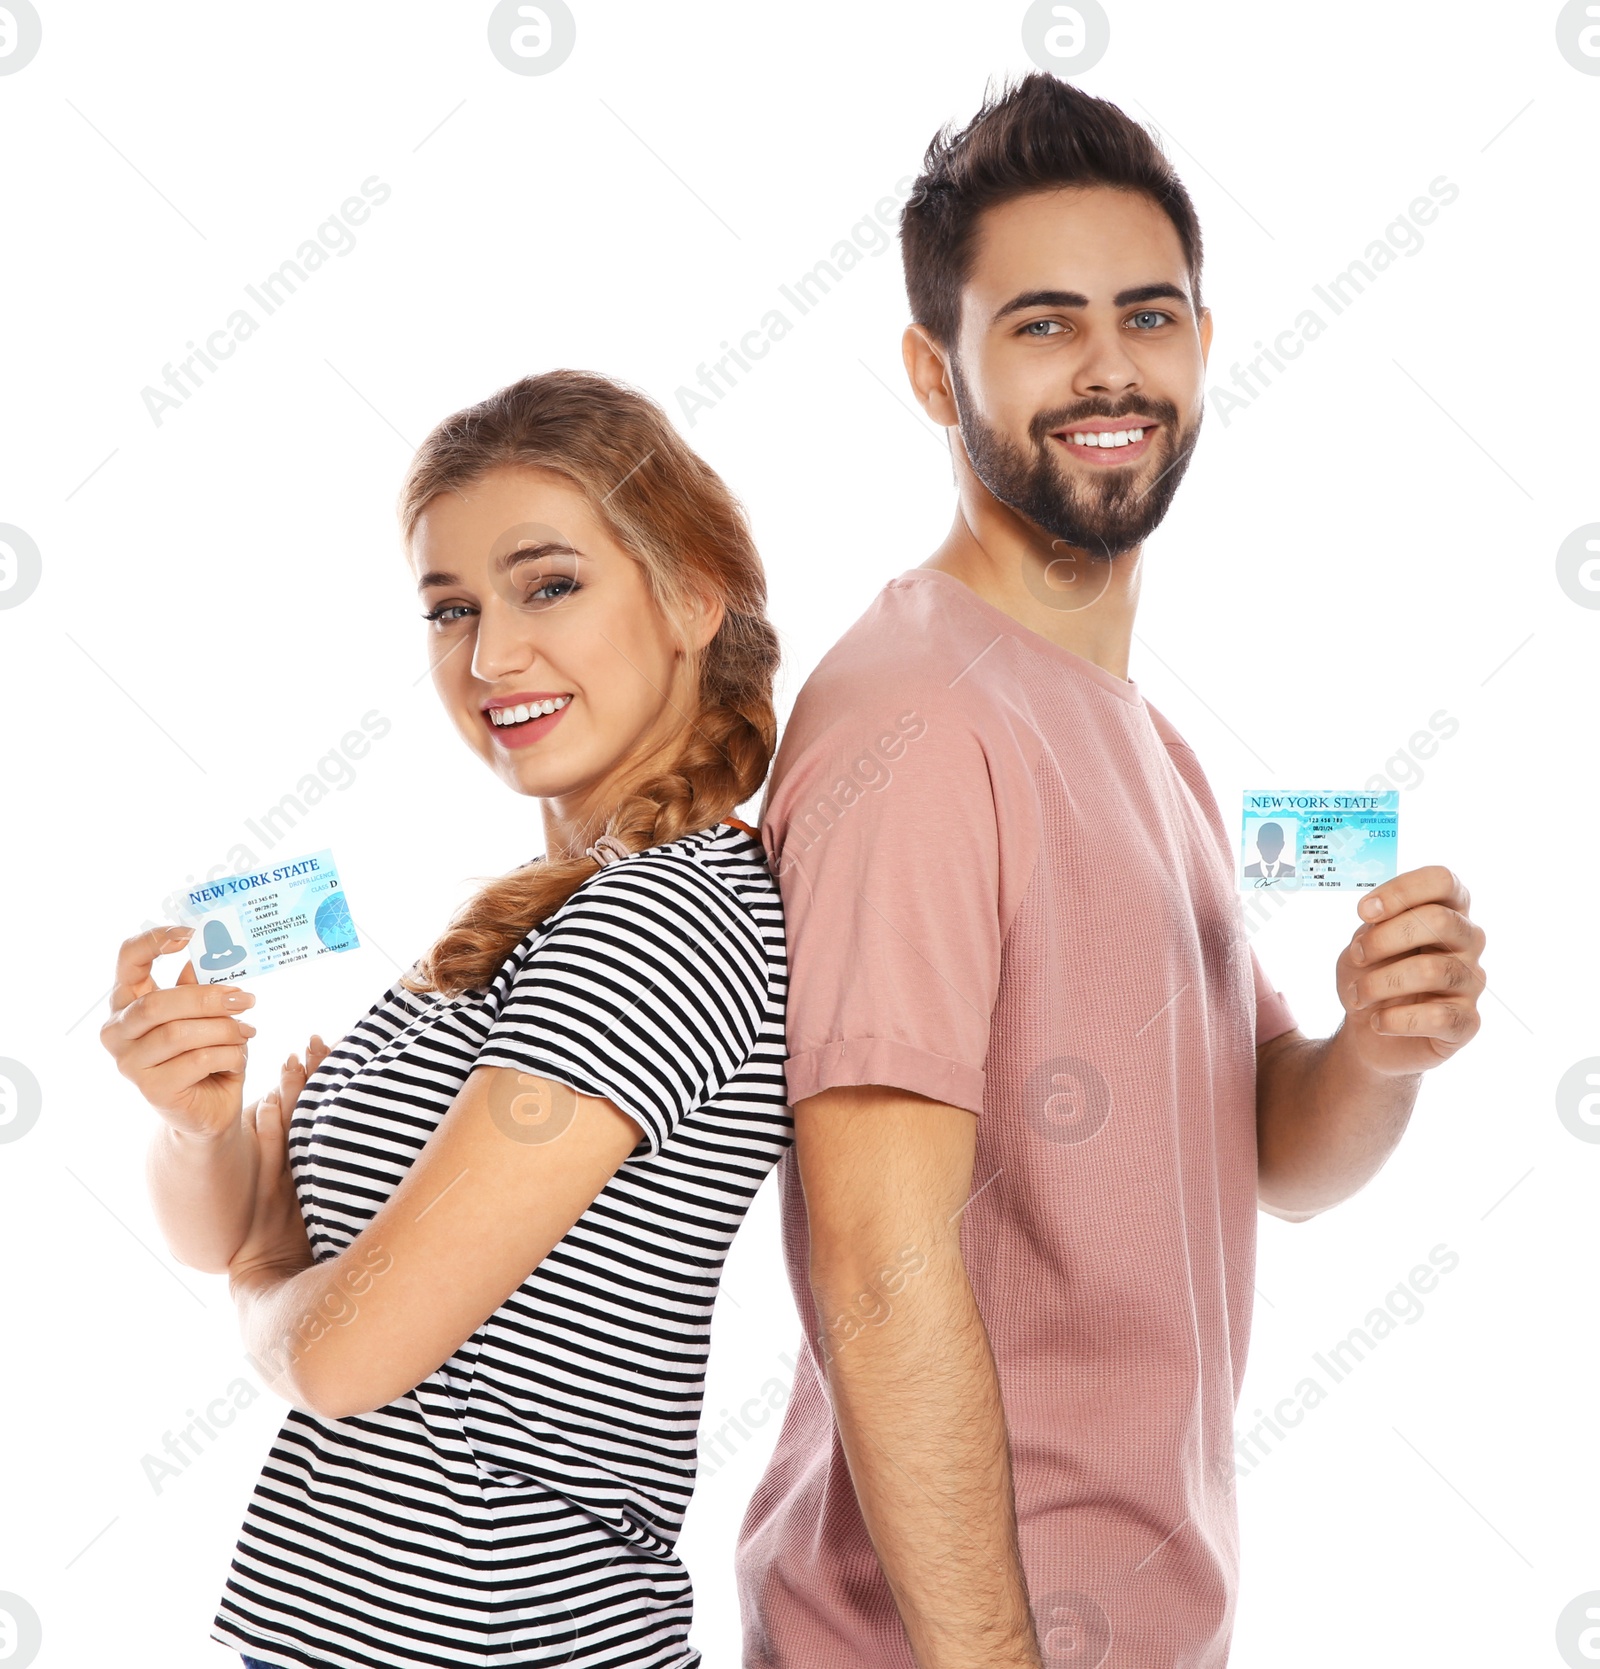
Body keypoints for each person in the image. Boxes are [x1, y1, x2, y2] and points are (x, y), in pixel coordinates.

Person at [734, 75, 1487, 1668]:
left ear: (1203, 348)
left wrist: (1376, 1045)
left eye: (1147, 316)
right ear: (935, 374)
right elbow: (880, 1255)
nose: (1107, 367)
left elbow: (1265, 1147)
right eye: (1042, 324)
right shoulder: (918, 724)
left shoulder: (1144, 738)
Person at [99, 370, 792, 1669]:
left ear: (694, 598)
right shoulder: (525, 923)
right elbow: (237, 1223)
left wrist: (264, 1291)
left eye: (549, 585)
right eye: (450, 609)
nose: (488, 657)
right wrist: (198, 1127)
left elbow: (343, 1351)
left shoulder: (663, 925)